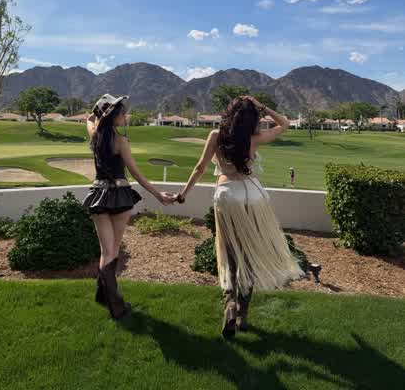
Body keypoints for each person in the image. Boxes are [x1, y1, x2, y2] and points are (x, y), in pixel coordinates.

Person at [175, 96, 303, 338]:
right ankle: (243, 314)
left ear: (229, 114)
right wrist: (261, 106)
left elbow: (200, 168)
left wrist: (183, 194)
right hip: (253, 195)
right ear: (252, 119)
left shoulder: (216, 135)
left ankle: (230, 303)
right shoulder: (254, 138)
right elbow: (285, 123)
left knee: (228, 253)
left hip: (227, 195)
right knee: (250, 253)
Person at [83, 93, 175, 320]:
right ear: (113, 116)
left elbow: (89, 120)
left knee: (106, 251)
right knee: (112, 252)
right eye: (122, 113)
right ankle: (116, 306)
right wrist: (158, 195)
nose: (126, 116)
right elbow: (136, 173)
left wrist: (96, 115)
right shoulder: (120, 141)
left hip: (98, 195)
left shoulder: (95, 135)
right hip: (120, 196)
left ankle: (102, 295)